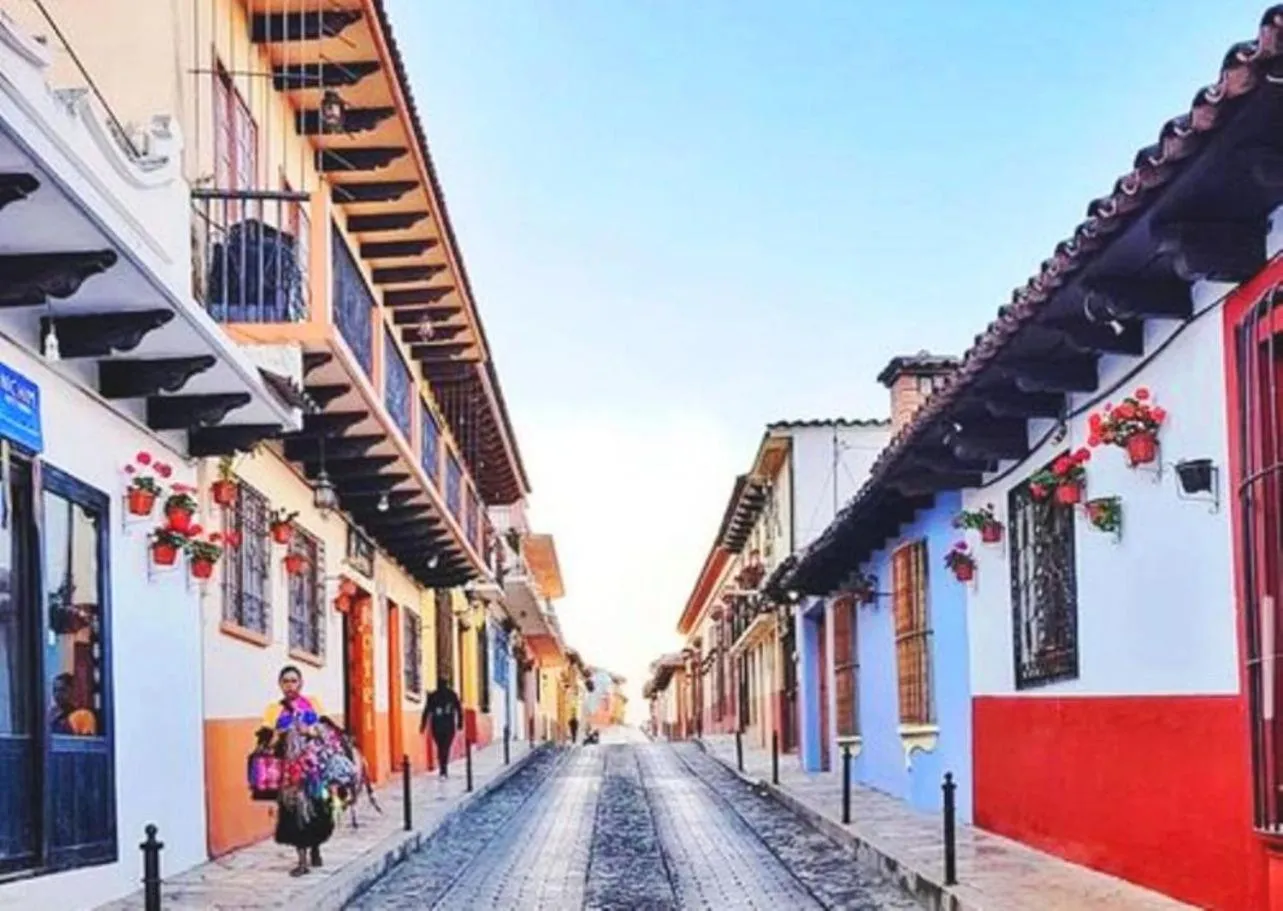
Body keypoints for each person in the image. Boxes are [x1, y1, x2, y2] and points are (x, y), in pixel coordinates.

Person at [258, 665, 334, 877]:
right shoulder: (274, 710)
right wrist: (278, 735)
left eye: (293, 680)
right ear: (280, 684)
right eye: (286, 681)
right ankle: (302, 860)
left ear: (301, 683)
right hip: (288, 772)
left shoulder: (312, 704)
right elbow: (265, 743)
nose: (290, 685)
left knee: (317, 808)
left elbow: (325, 733)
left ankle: (316, 848)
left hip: (312, 768)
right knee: (294, 813)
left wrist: (309, 731)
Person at [420, 676, 463, 778]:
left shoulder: (434, 695)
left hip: (437, 725)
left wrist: (423, 725)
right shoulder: (452, 695)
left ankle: (443, 768)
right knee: (445, 747)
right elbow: (459, 709)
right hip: (448, 725)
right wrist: (460, 723)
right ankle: (444, 768)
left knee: (441, 747)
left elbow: (426, 711)